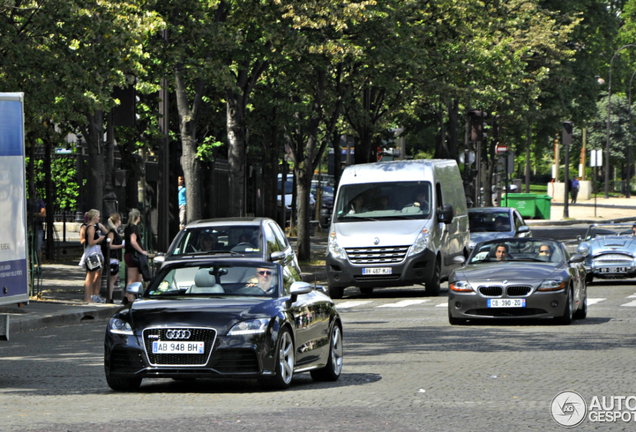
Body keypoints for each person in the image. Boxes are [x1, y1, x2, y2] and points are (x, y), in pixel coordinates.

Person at [124, 208, 148, 304]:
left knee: (138, 278)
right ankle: (129, 299)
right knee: (132, 279)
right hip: (133, 255)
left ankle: (128, 297)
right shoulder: (133, 228)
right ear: (138, 217)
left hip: (130, 254)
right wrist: (142, 251)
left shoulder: (127, 227)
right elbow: (133, 241)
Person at [82, 209, 106, 303]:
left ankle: (89, 297)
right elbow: (91, 242)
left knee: (92, 275)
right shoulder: (91, 228)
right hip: (92, 252)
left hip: (94, 251)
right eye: (98, 216)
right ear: (94, 217)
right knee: (90, 275)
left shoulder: (91, 227)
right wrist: (100, 238)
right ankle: (87, 298)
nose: (99, 218)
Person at [106, 213, 125, 301]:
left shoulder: (115, 231)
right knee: (112, 279)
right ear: (118, 221)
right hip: (112, 258)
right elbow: (109, 245)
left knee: (113, 279)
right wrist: (121, 246)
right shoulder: (112, 232)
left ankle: (110, 297)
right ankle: (109, 297)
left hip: (115, 258)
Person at [31, 195, 46, 272]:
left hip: (38, 228)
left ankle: (39, 266)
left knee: (38, 248)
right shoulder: (26, 201)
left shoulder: (39, 202)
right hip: (29, 228)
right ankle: (31, 266)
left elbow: (43, 213)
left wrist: (32, 214)